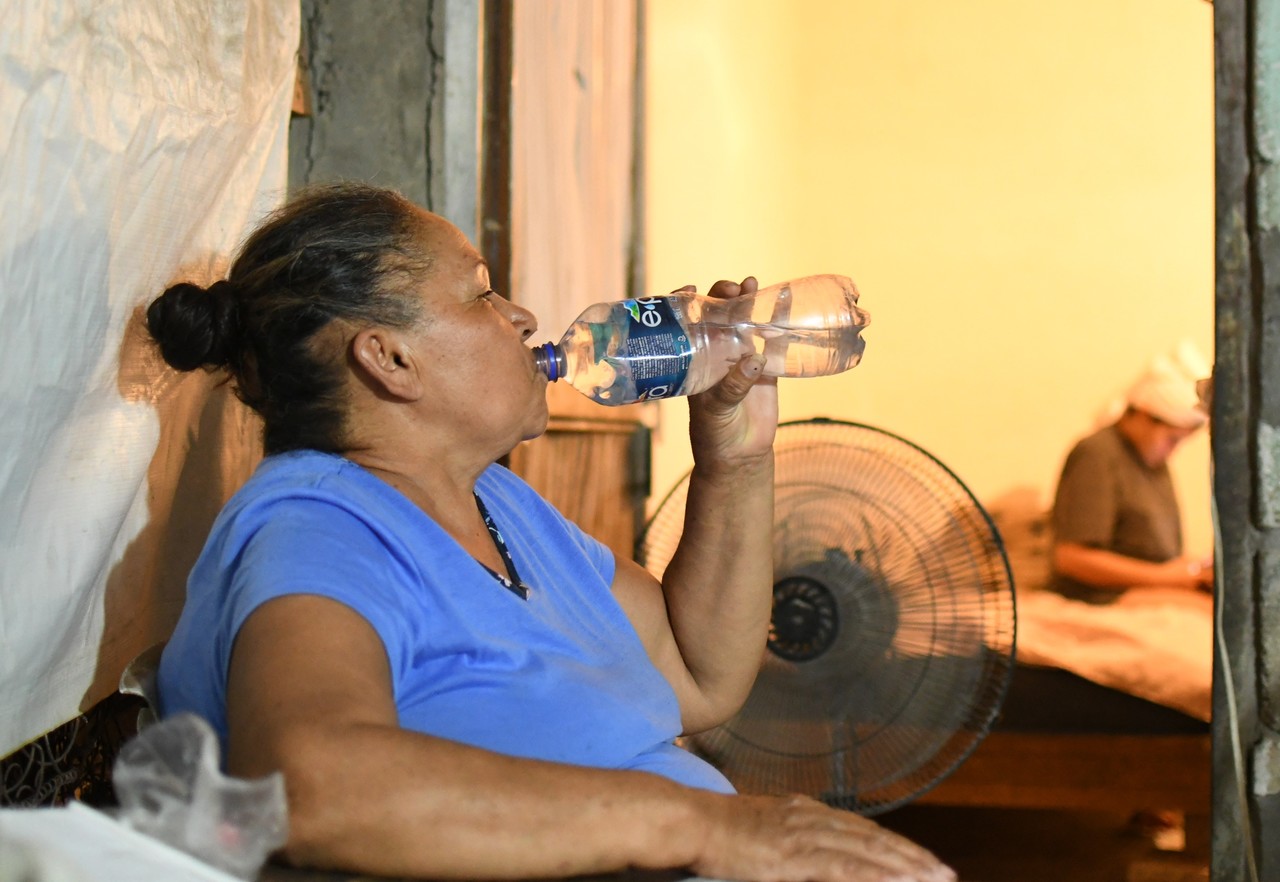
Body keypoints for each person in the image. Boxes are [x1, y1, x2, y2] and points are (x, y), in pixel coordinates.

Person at [145, 182, 952, 882]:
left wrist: (734, 461)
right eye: (480, 294)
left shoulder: (502, 506)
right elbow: (304, 788)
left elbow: (700, 678)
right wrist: (696, 824)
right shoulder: (316, 530)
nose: (523, 315)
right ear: (388, 359)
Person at [1048, 348, 1212, 605]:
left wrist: (1193, 569)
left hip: (1152, 594)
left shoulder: (1155, 466)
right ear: (1144, 415)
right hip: (1103, 600)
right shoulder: (1097, 454)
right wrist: (1165, 578)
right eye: (1172, 440)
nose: (1174, 450)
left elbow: (1161, 556)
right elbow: (1071, 558)